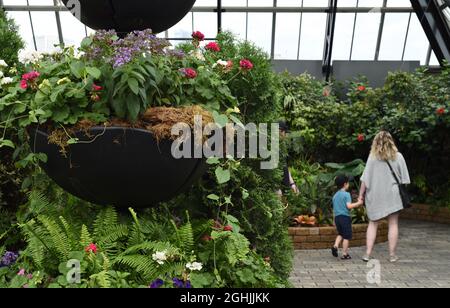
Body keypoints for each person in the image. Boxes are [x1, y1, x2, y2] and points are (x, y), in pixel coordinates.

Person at [358, 131, 410, 263]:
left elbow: (365, 180)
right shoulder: (398, 157)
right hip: (392, 195)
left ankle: (367, 254)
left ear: (375, 142)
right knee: (393, 224)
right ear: (391, 141)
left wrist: (360, 195)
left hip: (375, 195)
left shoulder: (372, 157)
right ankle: (392, 255)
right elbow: (405, 180)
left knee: (373, 223)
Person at [331, 175, 363, 260]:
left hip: (337, 218)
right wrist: (358, 203)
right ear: (345, 184)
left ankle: (335, 246)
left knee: (340, 234)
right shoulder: (346, 194)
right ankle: (345, 254)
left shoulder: (335, 196)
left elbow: (334, 209)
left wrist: (334, 220)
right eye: (348, 183)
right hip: (345, 217)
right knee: (346, 236)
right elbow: (348, 206)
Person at [278, 121, 299, 195]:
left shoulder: (282, 148)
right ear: (280, 131)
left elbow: (285, 167)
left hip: (285, 189)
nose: (285, 136)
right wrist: (277, 189)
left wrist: (292, 183)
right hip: (277, 189)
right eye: (285, 133)